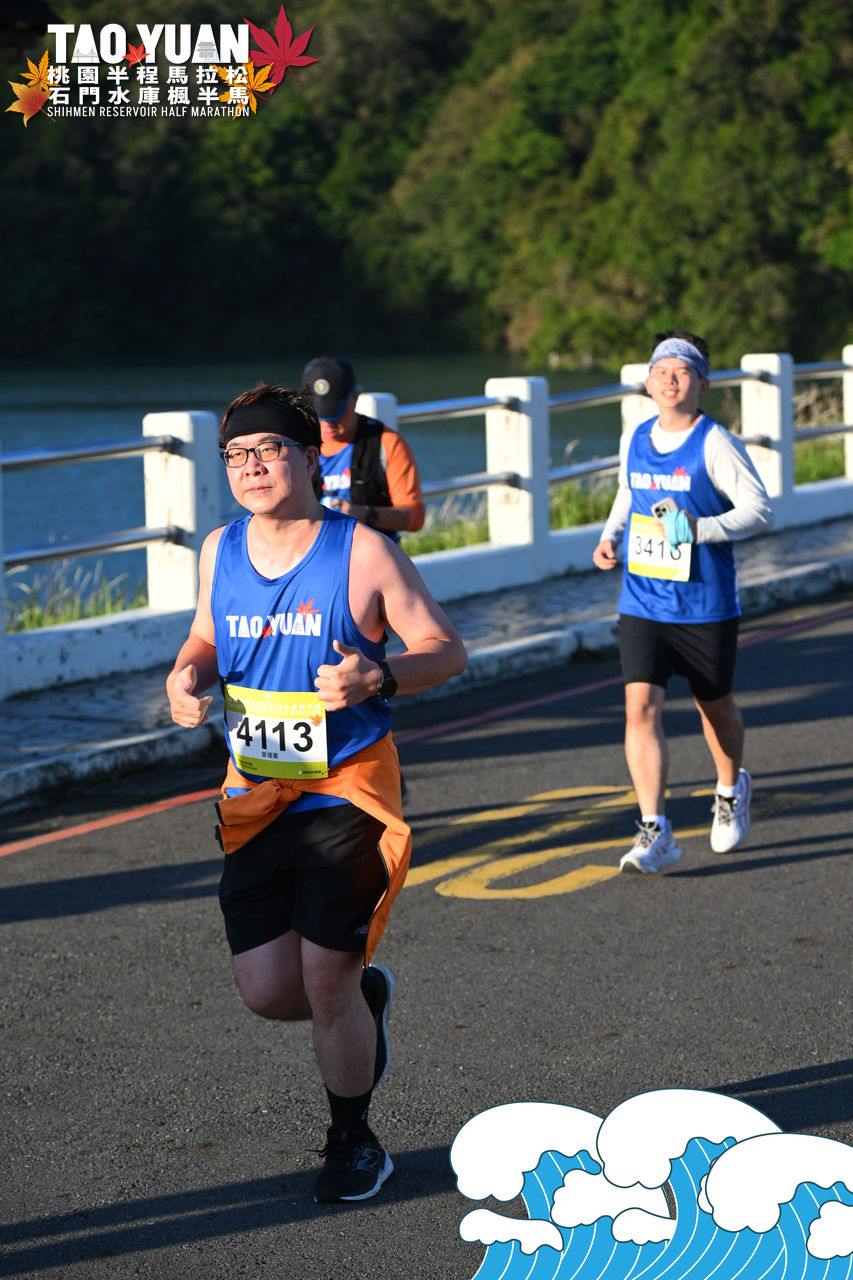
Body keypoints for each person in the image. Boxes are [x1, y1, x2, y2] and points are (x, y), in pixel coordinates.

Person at [165, 384, 466, 1202]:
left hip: (345, 794)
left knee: (325, 979)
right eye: (236, 455)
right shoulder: (220, 549)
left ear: (308, 459)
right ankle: (366, 1000)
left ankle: (354, 1139)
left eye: (268, 451)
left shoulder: (361, 552)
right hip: (254, 795)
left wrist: (380, 675)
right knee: (268, 993)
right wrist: (186, 674)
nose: (252, 467)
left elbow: (445, 649)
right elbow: (204, 635)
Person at [592, 330, 774, 874]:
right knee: (640, 708)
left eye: (682, 372)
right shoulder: (635, 437)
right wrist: (610, 535)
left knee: (713, 705)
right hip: (643, 597)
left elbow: (760, 510)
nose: (670, 381)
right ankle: (655, 830)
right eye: (661, 372)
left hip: (704, 604)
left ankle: (730, 788)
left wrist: (700, 529)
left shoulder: (714, 443)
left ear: (702, 384)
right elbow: (629, 491)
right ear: (648, 383)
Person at [301, 355, 425, 541]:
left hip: (373, 550)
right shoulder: (295, 444)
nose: (328, 423)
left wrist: (364, 514)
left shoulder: (387, 442)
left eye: (335, 412)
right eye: (318, 413)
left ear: (356, 397)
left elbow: (415, 518)